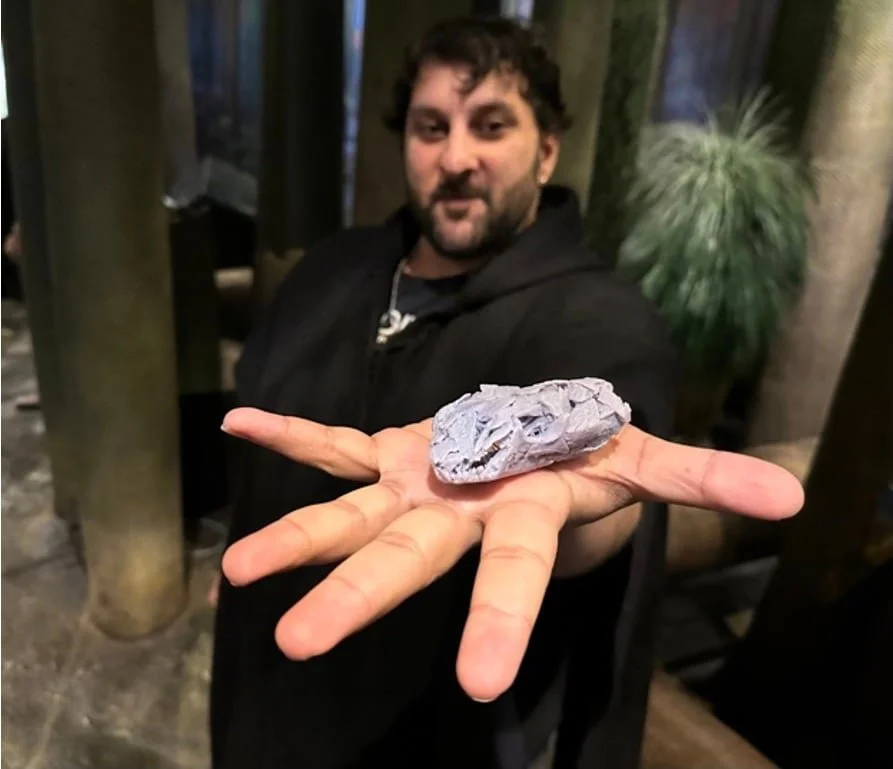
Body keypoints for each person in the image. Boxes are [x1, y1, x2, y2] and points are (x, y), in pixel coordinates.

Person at [211, 17, 803, 769]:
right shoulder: (329, 268)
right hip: (264, 701)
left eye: (490, 125)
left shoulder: (601, 315)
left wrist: (574, 514)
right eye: (431, 127)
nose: (455, 157)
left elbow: (606, 510)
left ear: (547, 148)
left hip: (428, 735)